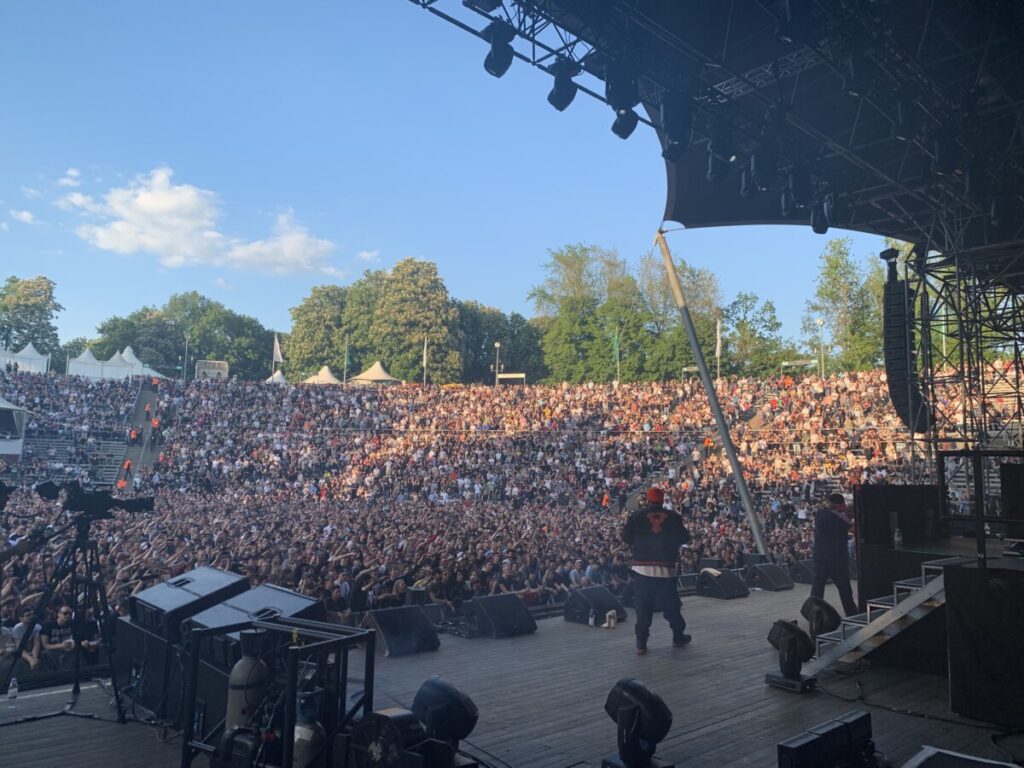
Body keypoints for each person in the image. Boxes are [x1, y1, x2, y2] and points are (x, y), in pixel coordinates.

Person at [622, 486, 691, 655]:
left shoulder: (636, 516)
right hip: (666, 571)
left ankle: (641, 643)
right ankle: (678, 636)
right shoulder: (674, 517)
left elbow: (626, 537)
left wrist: (641, 542)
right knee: (672, 607)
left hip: (642, 570)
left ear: (648, 500)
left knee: (643, 608)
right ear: (662, 501)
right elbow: (685, 538)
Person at [811, 492, 858, 615]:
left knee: (817, 588)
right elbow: (854, 529)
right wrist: (851, 515)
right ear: (840, 505)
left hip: (820, 557)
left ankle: (813, 613)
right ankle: (852, 613)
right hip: (837, 559)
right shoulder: (837, 518)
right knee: (844, 588)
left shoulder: (820, 514)